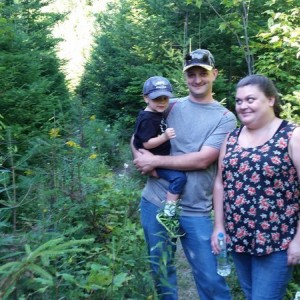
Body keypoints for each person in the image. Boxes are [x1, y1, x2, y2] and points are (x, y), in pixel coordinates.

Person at [132, 49, 237, 299]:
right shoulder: (170, 104)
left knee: (211, 279)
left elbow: (203, 160)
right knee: (160, 271)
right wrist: (139, 157)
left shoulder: (225, 117)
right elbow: (139, 135)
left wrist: (154, 160)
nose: (197, 79)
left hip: (195, 208)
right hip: (155, 202)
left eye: (203, 73)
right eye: (192, 74)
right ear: (185, 77)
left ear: (214, 74)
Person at [211, 74, 300, 300]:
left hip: (277, 241)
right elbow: (221, 183)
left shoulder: (292, 135)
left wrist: (299, 239)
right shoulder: (231, 138)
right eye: (239, 101)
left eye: (250, 99)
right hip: (238, 237)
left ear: (270, 100)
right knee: (252, 295)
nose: (243, 106)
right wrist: (219, 226)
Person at [133, 76, 187, 238]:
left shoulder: (155, 113)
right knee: (179, 178)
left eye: (165, 98)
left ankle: (169, 211)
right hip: (154, 159)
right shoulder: (148, 119)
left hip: (157, 159)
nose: (162, 102)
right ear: (145, 98)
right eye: (156, 98)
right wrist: (164, 137)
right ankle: (168, 214)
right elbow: (145, 143)